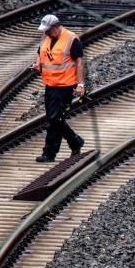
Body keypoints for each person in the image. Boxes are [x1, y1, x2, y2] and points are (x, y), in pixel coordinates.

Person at [31, 14, 86, 163]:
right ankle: (50, 153)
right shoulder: (47, 37)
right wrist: (38, 64)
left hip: (65, 85)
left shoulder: (71, 39)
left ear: (55, 27)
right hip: (50, 84)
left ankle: (73, 142)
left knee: (55, 118)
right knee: (53, 119)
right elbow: (40, 53)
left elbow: (79, 62)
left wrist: (80, 84)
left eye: (48, 30)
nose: (46, 33)